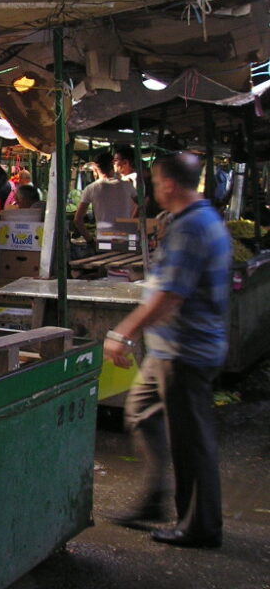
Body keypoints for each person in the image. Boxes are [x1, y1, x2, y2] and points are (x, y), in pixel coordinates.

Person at [103, 152, 230, 549]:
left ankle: (201, 526)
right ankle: (155, 500)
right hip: (168, 349)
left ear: (170, 184)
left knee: (191, 441)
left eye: (156, 182)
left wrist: (124, 332)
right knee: (140, 412)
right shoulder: (193, 221)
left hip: (185, 352)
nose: (154, 188)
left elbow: (171, 296)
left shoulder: (193, 227)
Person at [74, 152, 137, 243]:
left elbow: (77, 220)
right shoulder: (127, 185)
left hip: (104, 241)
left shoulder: (90, 189)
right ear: (112, 166)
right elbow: (142, 206)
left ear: (95, 169)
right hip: (125, 240)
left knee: (106, 256)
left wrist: (90, 241)